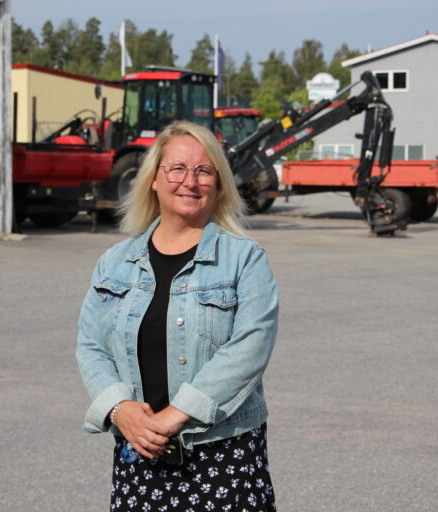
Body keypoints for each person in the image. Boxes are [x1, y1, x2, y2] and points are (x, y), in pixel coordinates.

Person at [76, 120, 279, 512]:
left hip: (224, 456)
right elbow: (91, 346)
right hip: (141, 450)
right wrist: (121, 410)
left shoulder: (245, 259)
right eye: (178, 169)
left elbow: (250, 348)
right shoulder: (114, 263)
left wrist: (175, 416)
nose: (191, 181)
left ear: (219, 185)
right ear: (154, 179)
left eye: (204, 171)